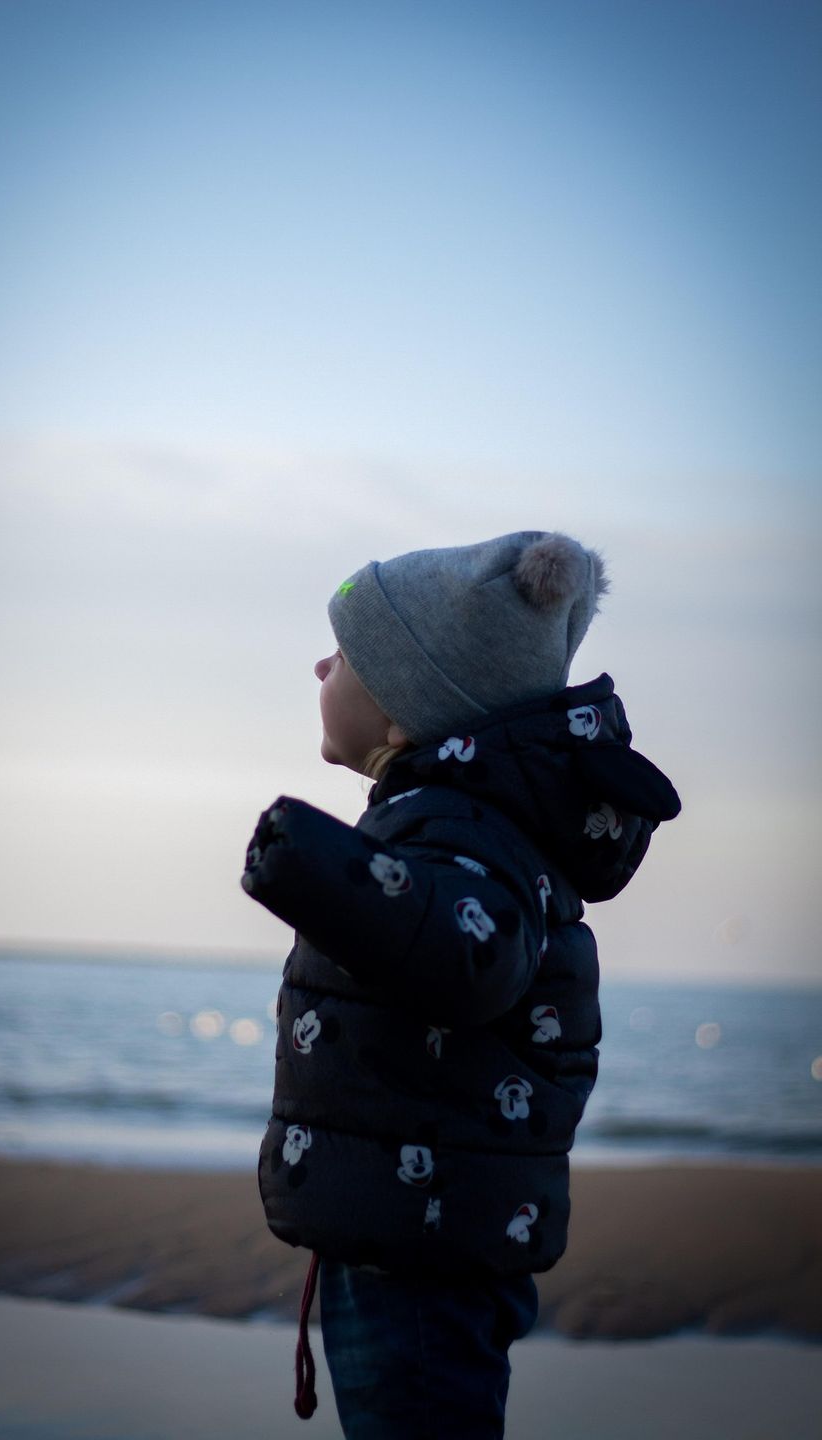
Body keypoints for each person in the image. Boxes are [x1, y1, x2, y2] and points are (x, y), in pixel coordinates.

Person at [241, 531, 680, 1437]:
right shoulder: (449, 820)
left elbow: (469, 956)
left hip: (425, 1250)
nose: (321, 665)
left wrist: (318, 869)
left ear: (405, 719)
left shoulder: (457, 829)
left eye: (347, 655)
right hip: (413, 1221)